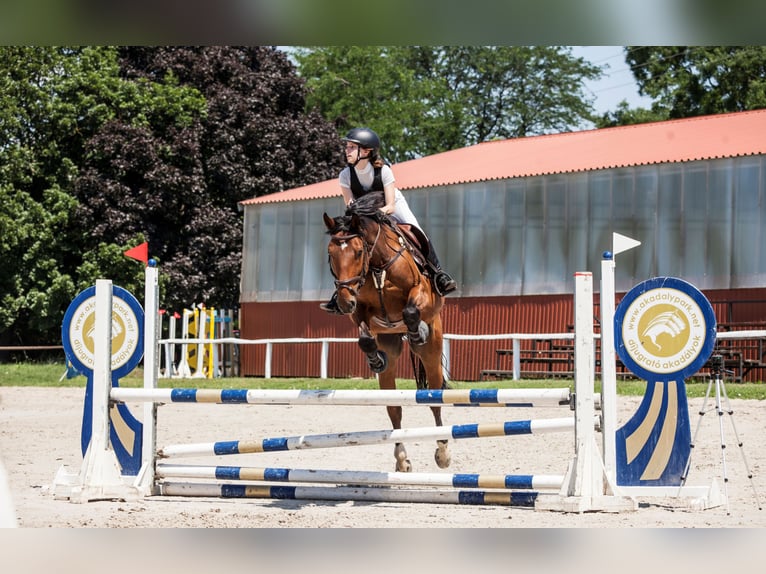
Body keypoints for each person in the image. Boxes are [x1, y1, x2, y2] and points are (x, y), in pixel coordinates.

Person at [321, 127, 457, 314]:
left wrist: (377, 213)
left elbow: (391, 205)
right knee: (346, 245)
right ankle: (340, 292)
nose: (347, 150)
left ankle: (438, 273)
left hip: (390, 206)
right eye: (347, 147)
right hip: (364, 215)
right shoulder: (345, 175)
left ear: (366, 151)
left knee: (418, 232)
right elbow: (350, 205)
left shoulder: (383, 171)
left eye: (352, 147)